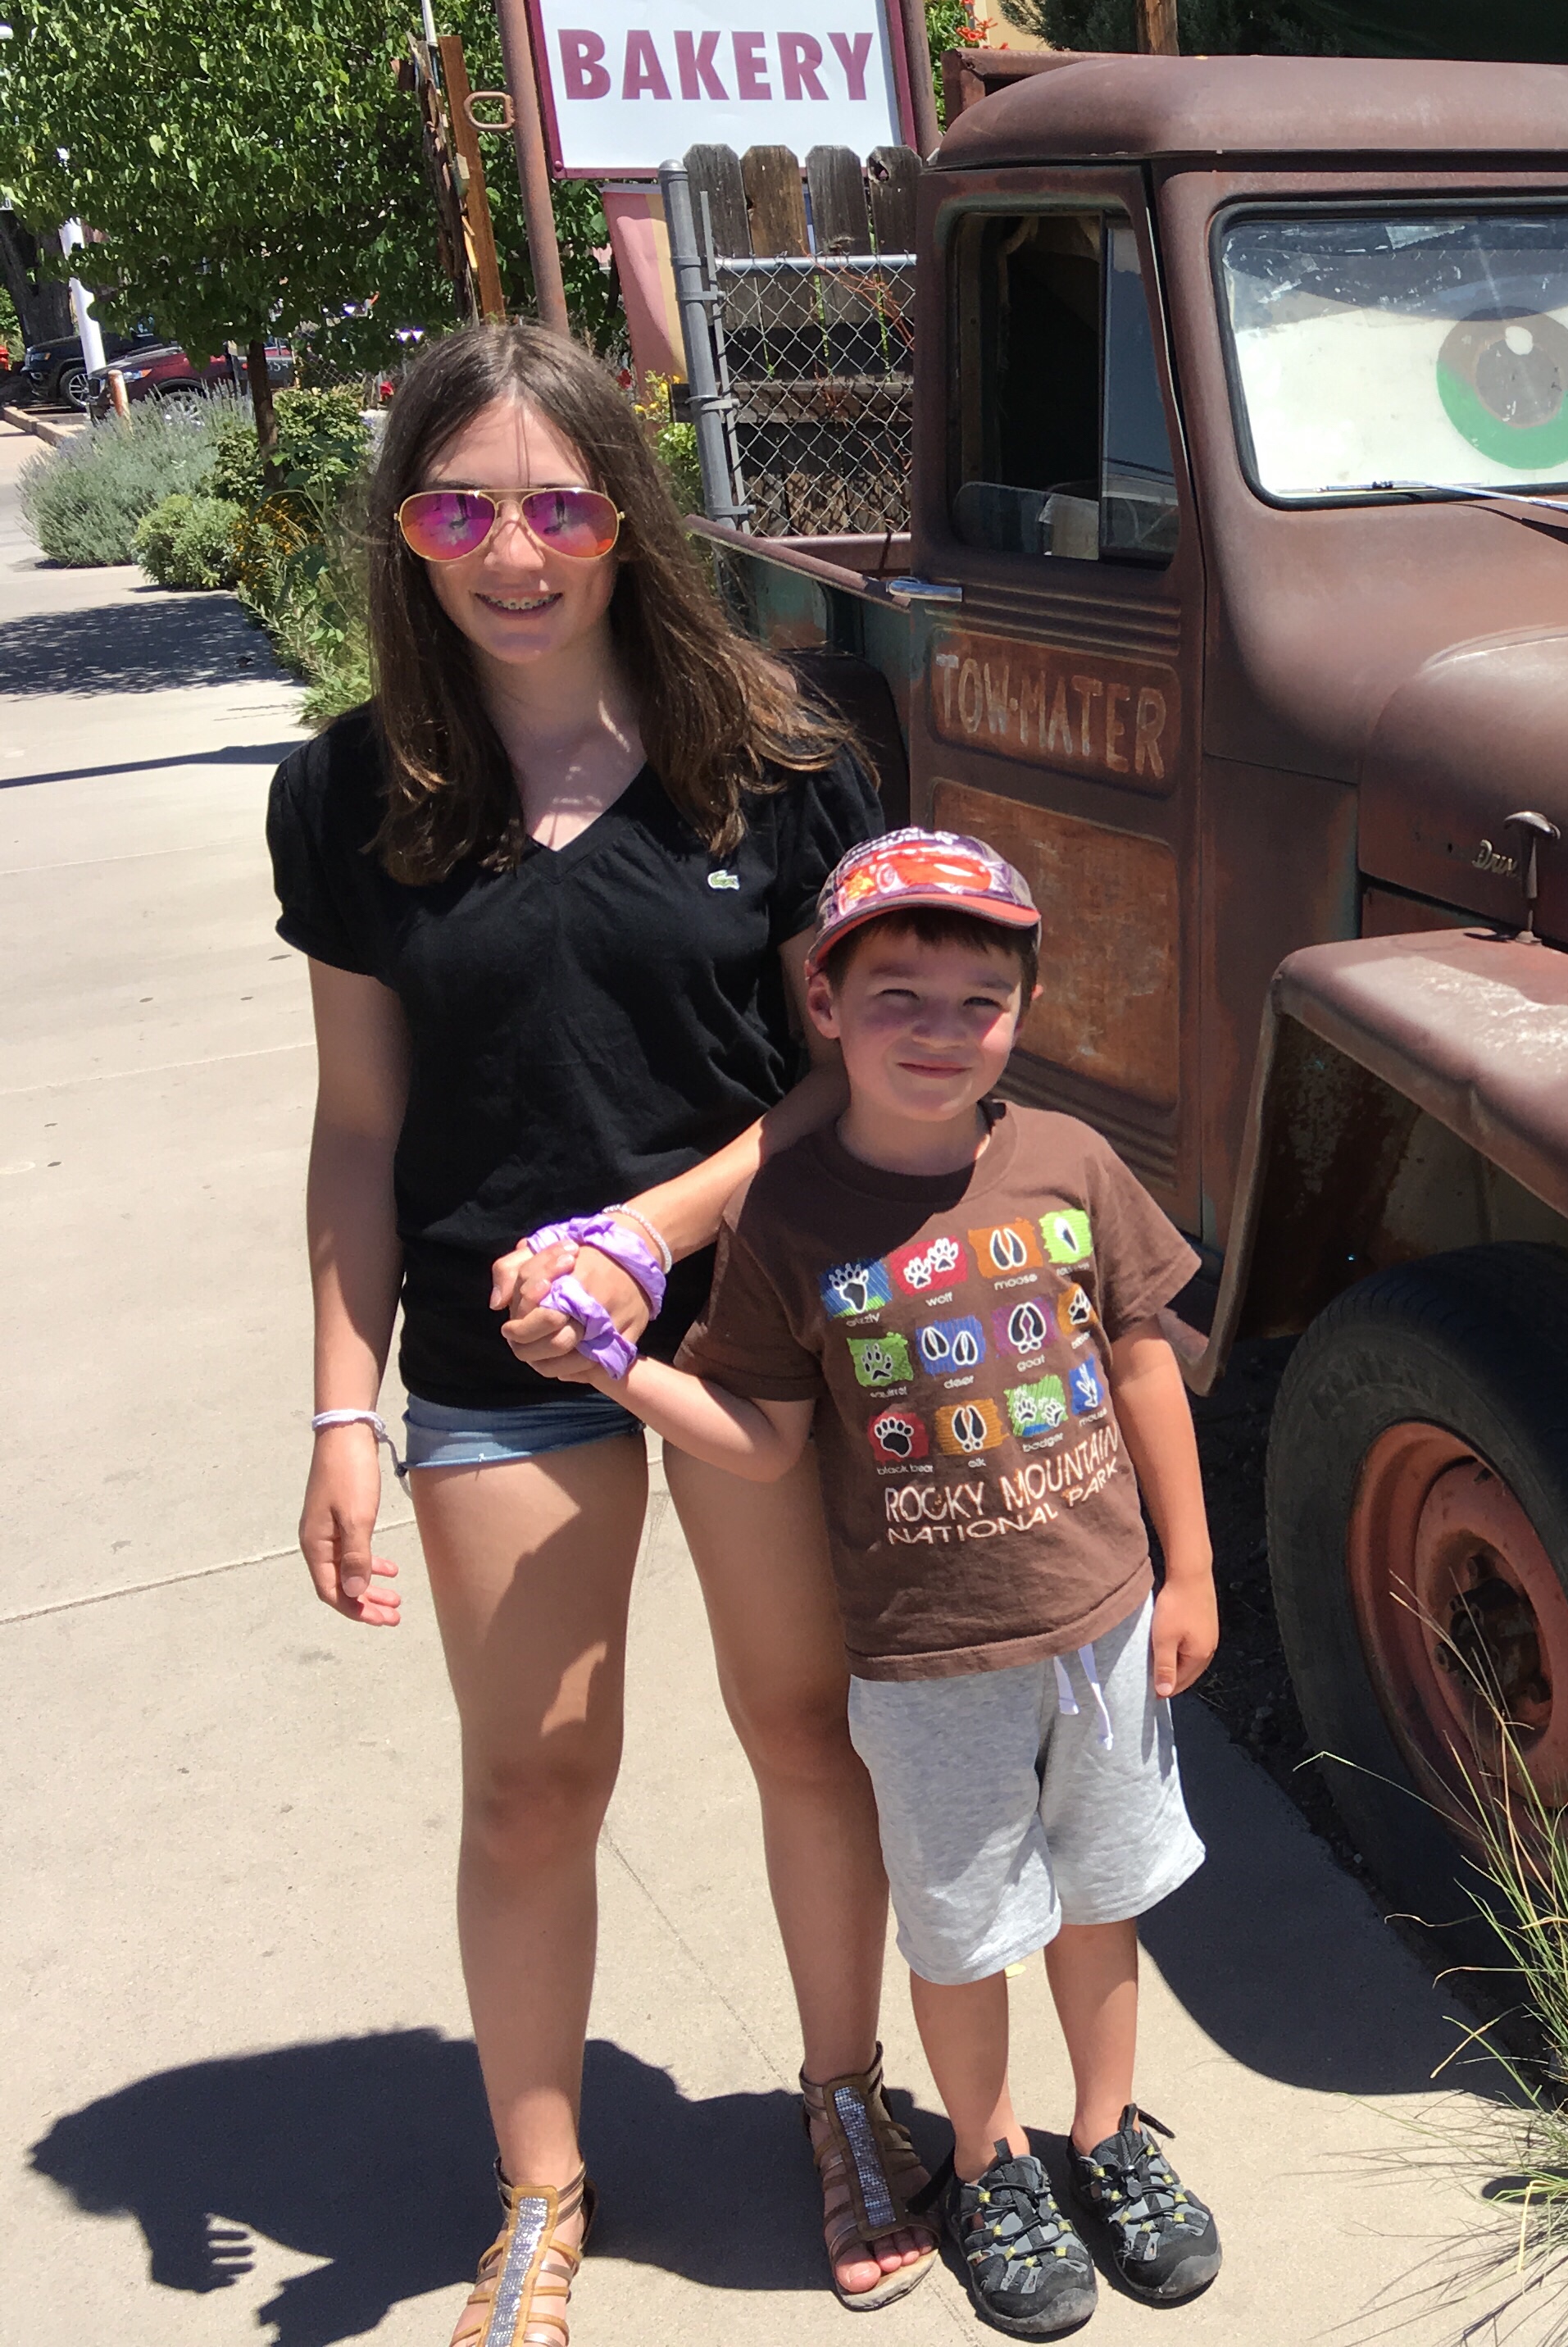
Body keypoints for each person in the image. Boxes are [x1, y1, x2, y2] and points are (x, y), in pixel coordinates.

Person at [273, 323, 937, 2347]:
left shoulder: (785, 760)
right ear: (406, 536)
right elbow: (360, 1127)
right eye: (457, 512)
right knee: (532, 1787)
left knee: (803, 1731)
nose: (514, 553)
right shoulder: (351, 795)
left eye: (558, 506)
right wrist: (342, 1414)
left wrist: (653, 1232)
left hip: (749, 1326)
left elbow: (846, 1081)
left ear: (626, 517)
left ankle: (844, 2098)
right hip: (497, 1359)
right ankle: (541, 2191)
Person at [579, 828, 1224, 2340]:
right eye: (899, 999)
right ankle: (988, 2163)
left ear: (1025, 1009)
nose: (942, 1032)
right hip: (927, 1660)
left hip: (1105, 1628)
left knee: (1102, 1901)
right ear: (825, 1005)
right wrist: (619, 1372)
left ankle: (1108, 2135)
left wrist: (1190, 1570)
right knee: (961, 1927)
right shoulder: (786, 1215)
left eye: (979, 1001)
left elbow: (1145, 1366)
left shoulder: (1069, 1163)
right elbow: (761, 1436)